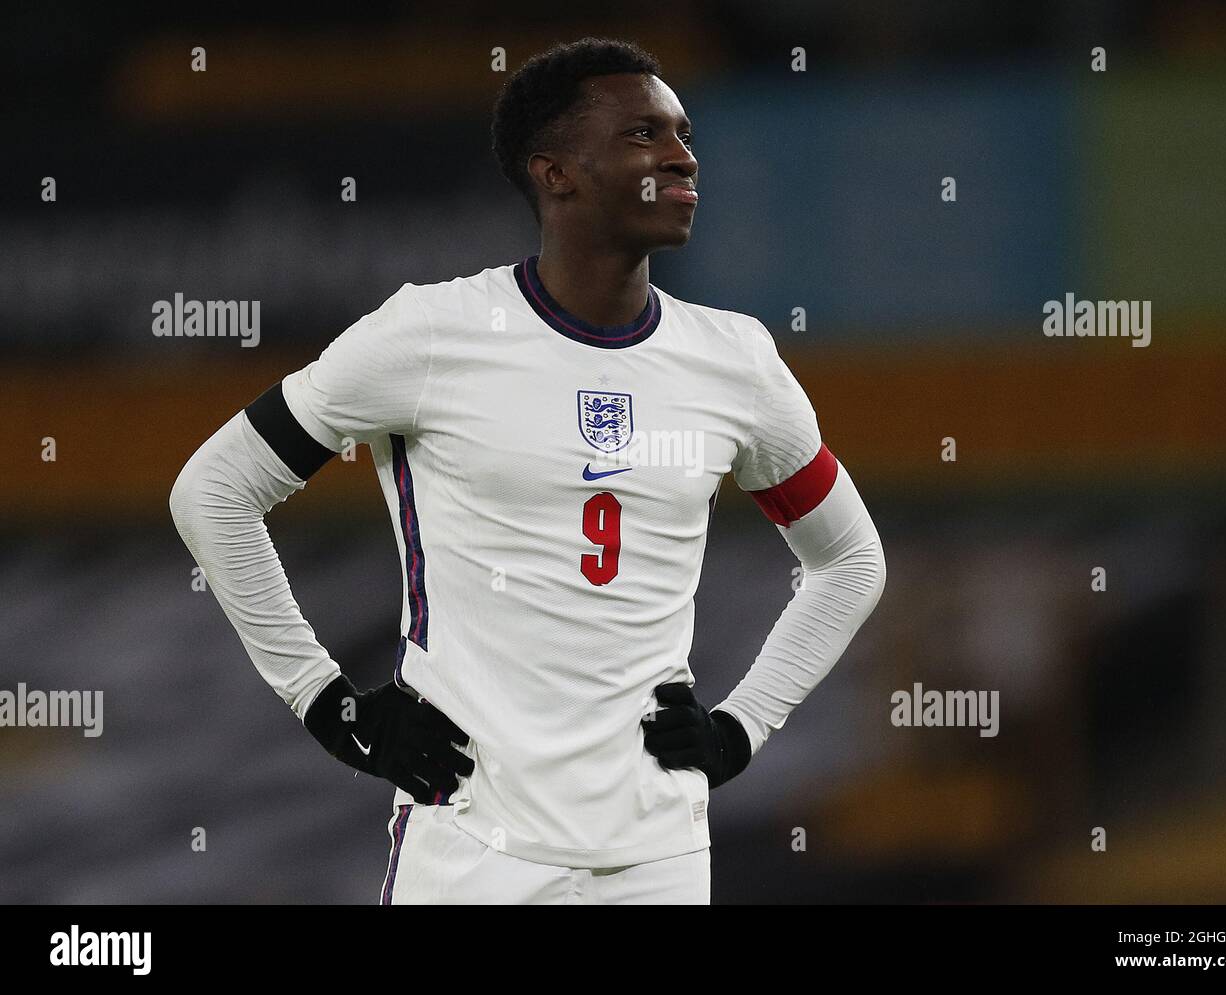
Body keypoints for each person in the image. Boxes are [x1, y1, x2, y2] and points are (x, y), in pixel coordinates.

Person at [169, 37, 885, 904]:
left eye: (684, 132)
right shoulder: (430, 335)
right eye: (642, 134)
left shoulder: (735, 359)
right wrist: (326, 704)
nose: (683, 155)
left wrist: (741, 726)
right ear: (556, 173)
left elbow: (849, 560)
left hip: (657, 857)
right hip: (474, 849)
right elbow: (213, 490)